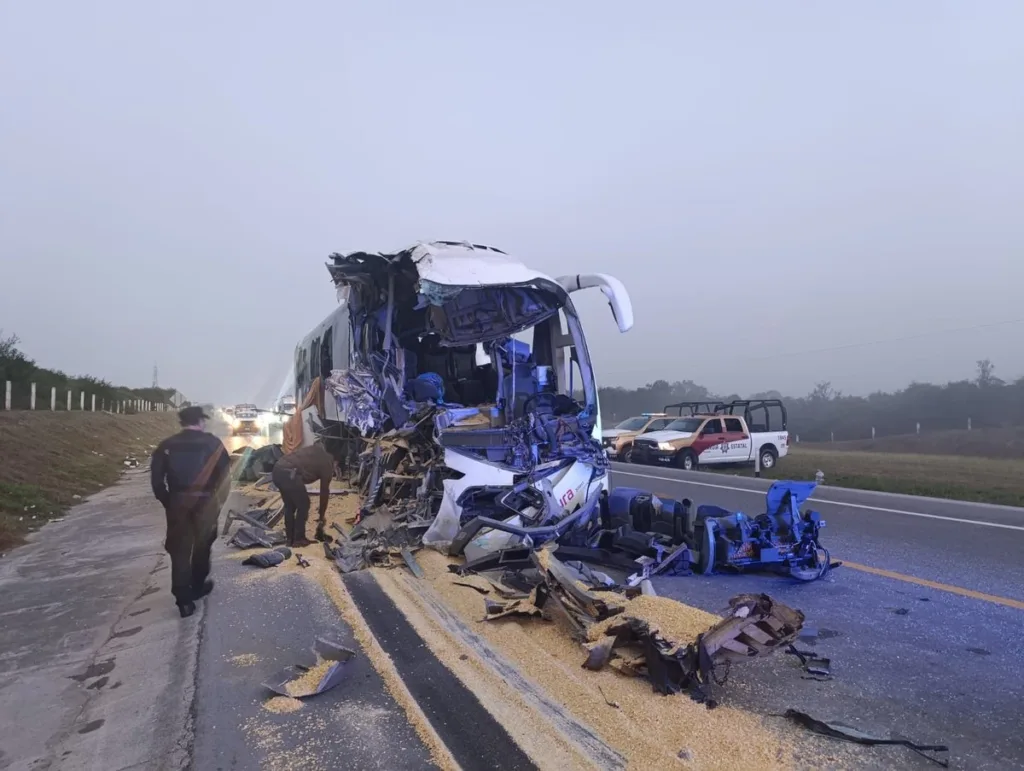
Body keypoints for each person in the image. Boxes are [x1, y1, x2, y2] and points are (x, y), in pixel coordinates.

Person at [150, 406, 231, 618]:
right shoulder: (213, 443)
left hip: (178, 502)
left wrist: (170, 502)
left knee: (180, 550)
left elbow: (157, 482)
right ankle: (197, 585)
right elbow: (225, 478)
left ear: (182, 423)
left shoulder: (166, 446)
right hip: (206, 502)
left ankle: (184, 601)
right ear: (201, 422)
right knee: (203, 546)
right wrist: (219, 502)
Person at [271, 442, 335, 547]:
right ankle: (299, 539)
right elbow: (324, 492)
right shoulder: (327, 462)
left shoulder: (313, 451)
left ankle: (290, 539)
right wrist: (321, 516)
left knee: (290, 505)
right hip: (290, 473)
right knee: (304, 504)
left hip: (277, 469)